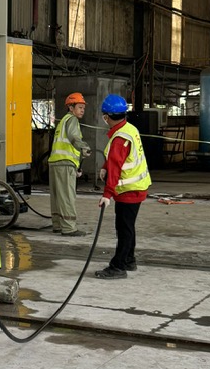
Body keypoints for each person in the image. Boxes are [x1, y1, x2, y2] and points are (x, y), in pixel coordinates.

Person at [95, 93, 150, 280]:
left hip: (129, 189)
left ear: (106, 117)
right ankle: (129, 260)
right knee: (128, 226)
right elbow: (117, 159)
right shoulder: (129, 128)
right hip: (137, 186)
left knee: (124, 228)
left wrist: (107, 194)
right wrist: (105, 166)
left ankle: (118, 266)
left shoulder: (119, 138)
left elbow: (116, 167)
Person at [47, 91, 92, 235]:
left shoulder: (63, 121)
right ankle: (69, 227)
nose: (82, 110)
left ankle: (58, 225)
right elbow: (73, 137)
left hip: (55, 163)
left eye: (83, 108)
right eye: (80, 107)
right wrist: (84, 147)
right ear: (71, 108)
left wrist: (77, 165)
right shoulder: (72, 120)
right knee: (67, 196)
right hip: (65, 164)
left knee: (57, 196)